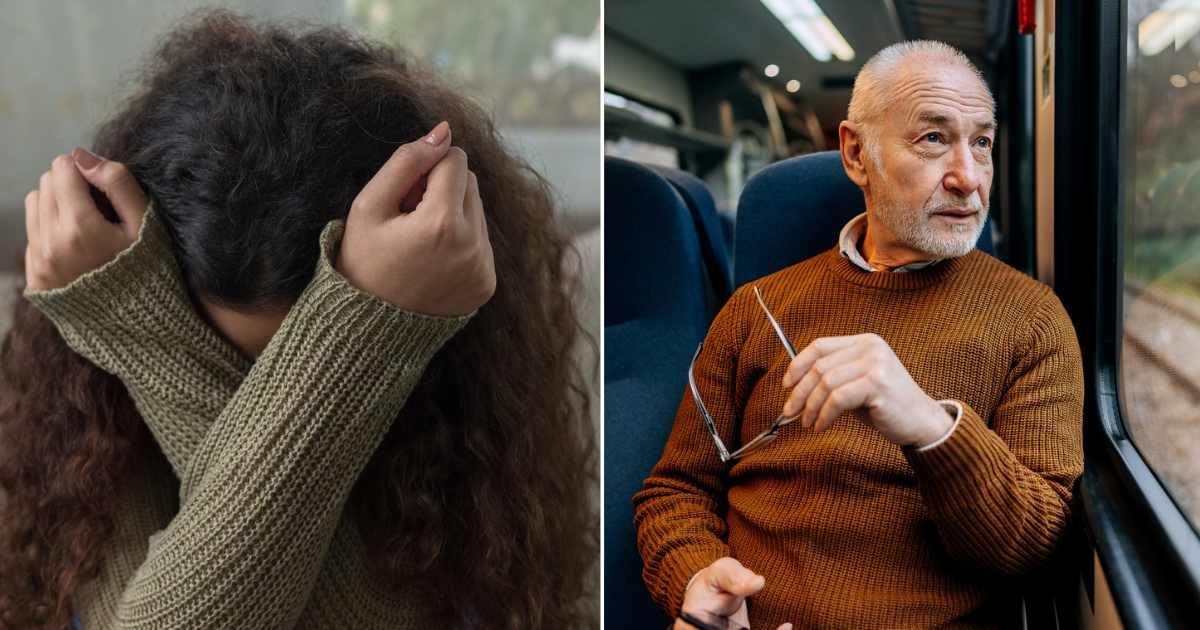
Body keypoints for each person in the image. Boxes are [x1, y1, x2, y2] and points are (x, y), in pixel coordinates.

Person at [0, 10, 597, 630]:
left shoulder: (470, 448)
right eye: (234, 368)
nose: (260, 399)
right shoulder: (88, 428)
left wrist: (147, 335)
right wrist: (135, 330)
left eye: (303, 357)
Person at [634, 40, 1083, 629]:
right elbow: (675, 491)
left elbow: (1036, 544)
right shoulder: (755, 309)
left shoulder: (1034, 319)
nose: (968, 179)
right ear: (855, 153)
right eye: (933, 139)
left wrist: (930, 427)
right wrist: (698, 579)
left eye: (981, 143)